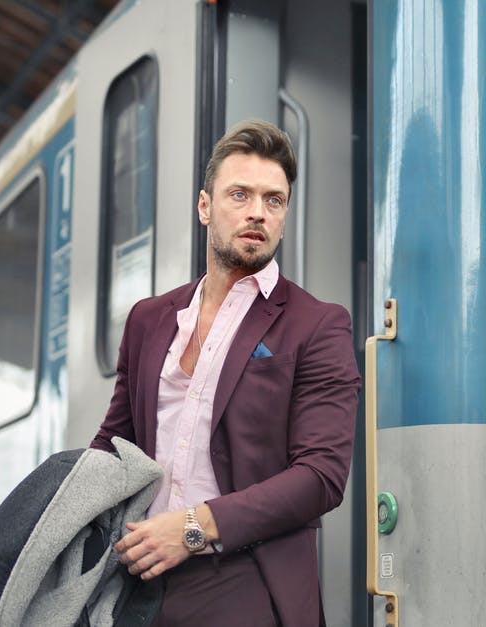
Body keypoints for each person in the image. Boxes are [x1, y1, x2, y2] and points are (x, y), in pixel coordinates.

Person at [90, 119, 361, 627]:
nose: (258, 211)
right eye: (240, 195)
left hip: (245, 580)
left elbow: (320, 477)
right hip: (136, 582)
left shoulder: (317, 324)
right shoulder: (149, 319)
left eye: (274, 200)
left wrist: (193, 530)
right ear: (204, 207)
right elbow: (113, 444)